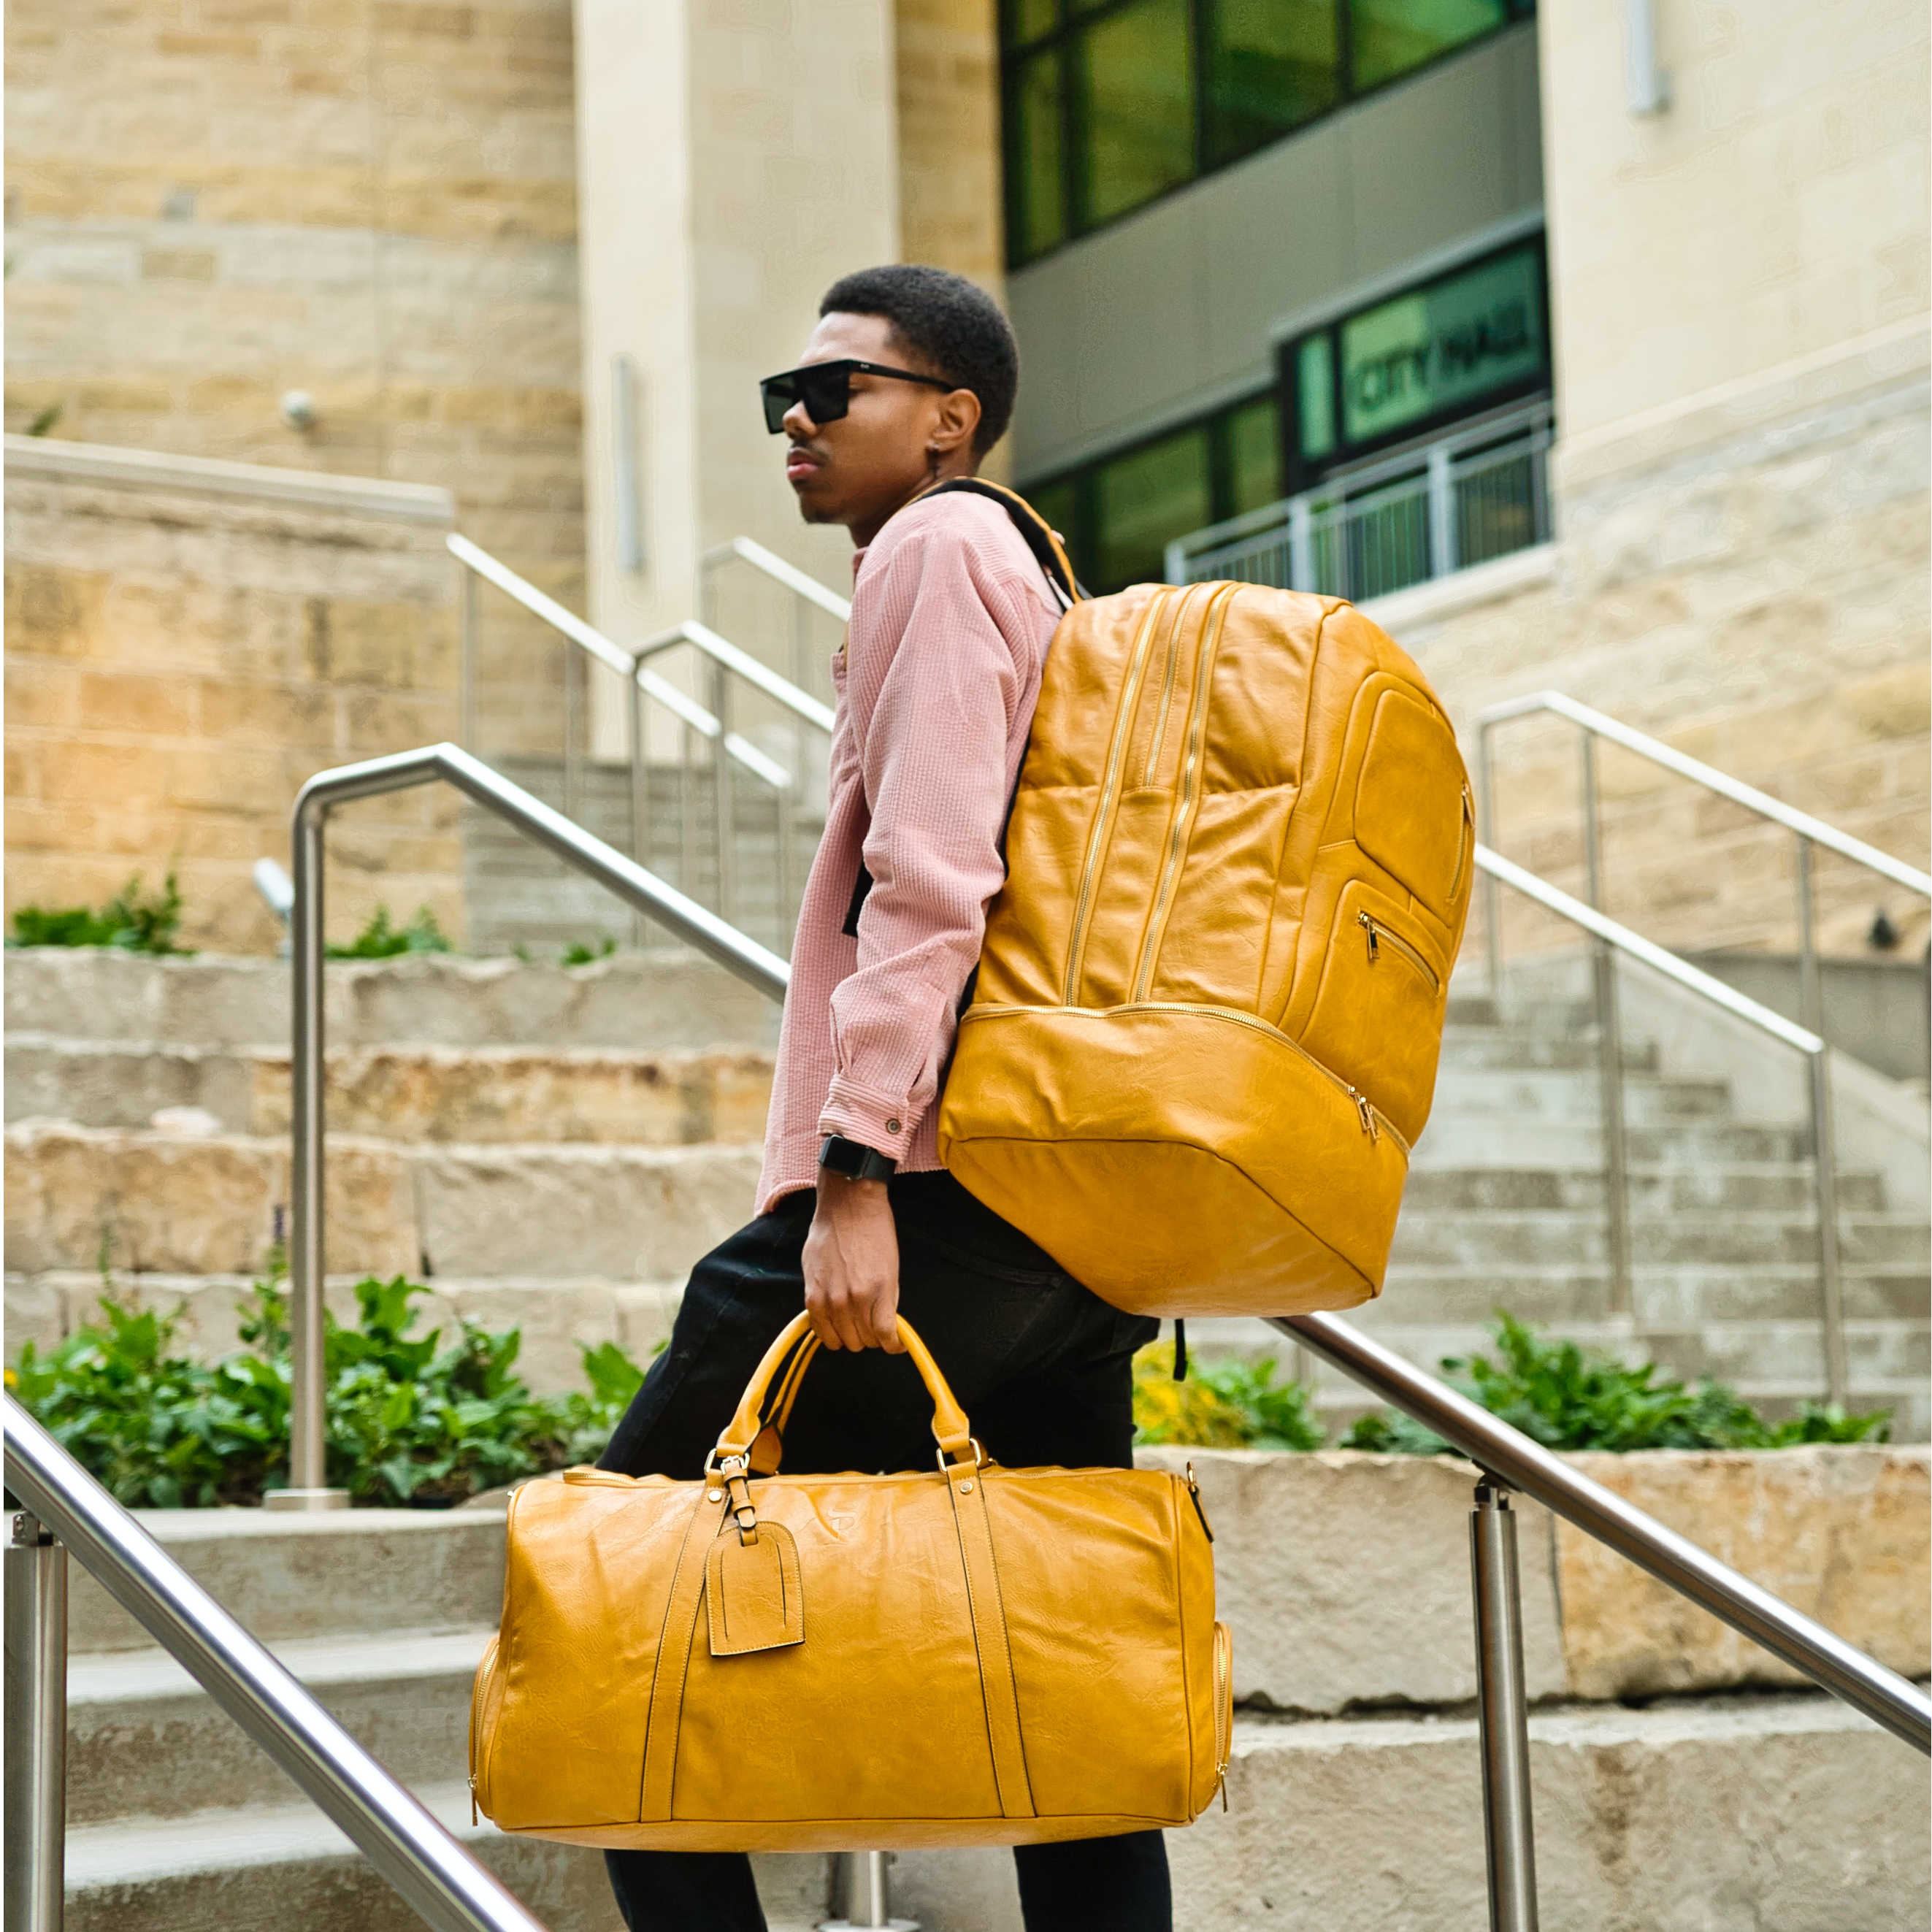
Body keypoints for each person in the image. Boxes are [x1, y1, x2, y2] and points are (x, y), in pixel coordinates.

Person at [598, 264, 1169, 1932]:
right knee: (1070, 1706)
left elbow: (927, 886)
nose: (796, 411)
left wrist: (852, 1180)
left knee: (626, 1618)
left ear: (950, 419)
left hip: (930, 1192)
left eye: (834, 385)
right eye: (786, 387)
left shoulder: (933, 548)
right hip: (1068, 1229)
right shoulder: (1029, 566)